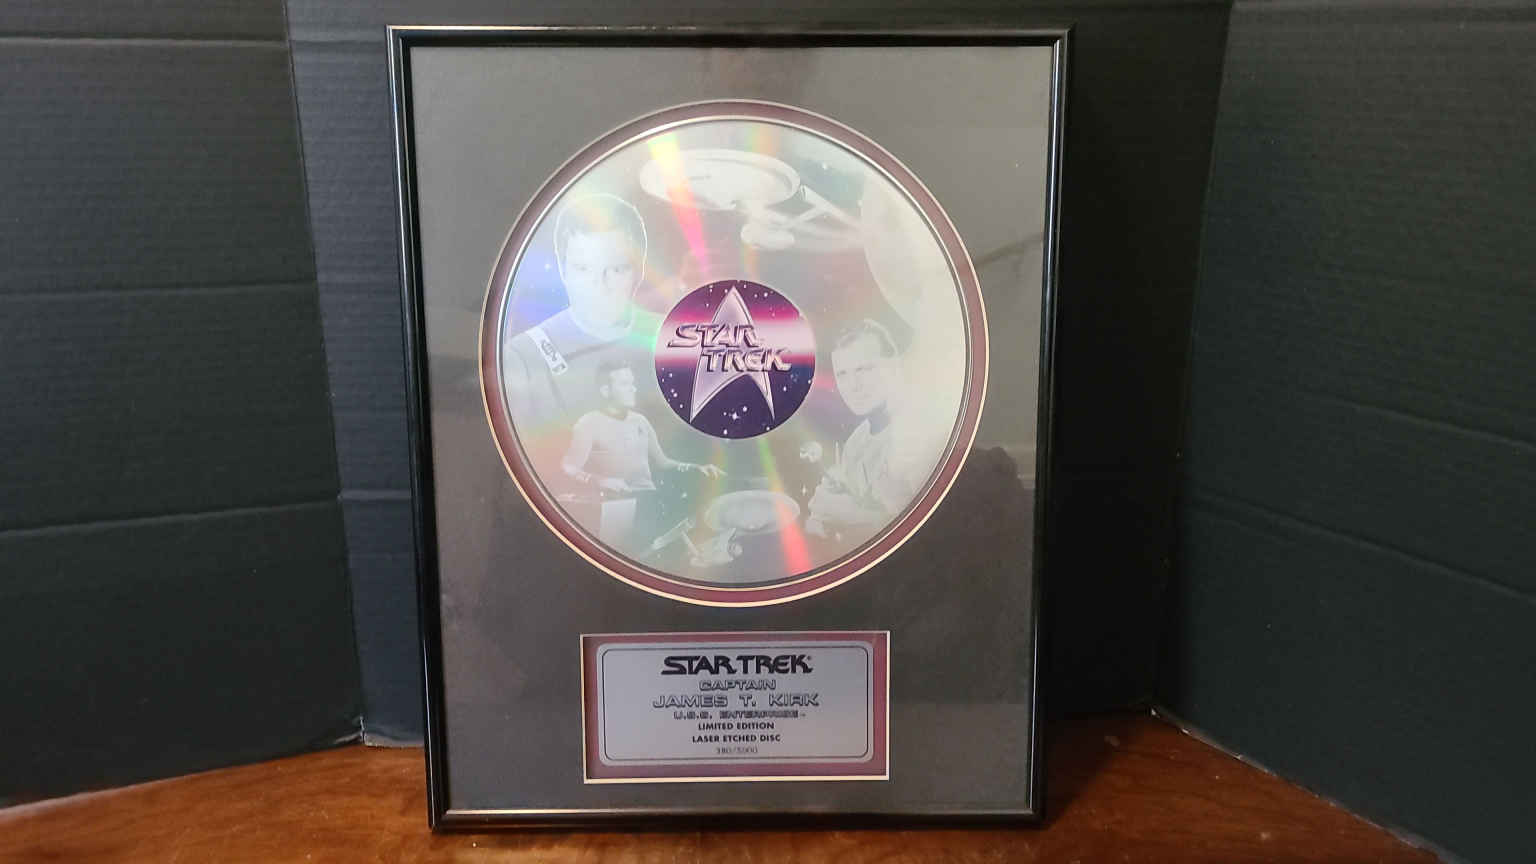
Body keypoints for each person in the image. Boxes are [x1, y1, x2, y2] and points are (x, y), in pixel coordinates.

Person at [502, 194, 662, 429]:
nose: (599, 285)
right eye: (583, 269)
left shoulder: (676, 338)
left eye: (617, 269)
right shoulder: (521, 358)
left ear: (639, 271)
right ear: (563, 270)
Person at [562, 359, 723, 549]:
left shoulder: (640, 421)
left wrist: (696, 467)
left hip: (650, 501)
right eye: (625, 384)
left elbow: (663, 462)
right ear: (606, 391)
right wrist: (600, 480)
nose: (633, 389)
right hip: (616, 505)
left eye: (632, 383)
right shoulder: (588, 424)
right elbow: (569, 467)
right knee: (624, 552)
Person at [806, 320, 936, 538]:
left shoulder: (924, 432)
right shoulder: (856, 442)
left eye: (864, 369)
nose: (853, 386)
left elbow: (933, 528)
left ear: (894, 367)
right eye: (842, 374)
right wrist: (830, 508)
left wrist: (850, 515)